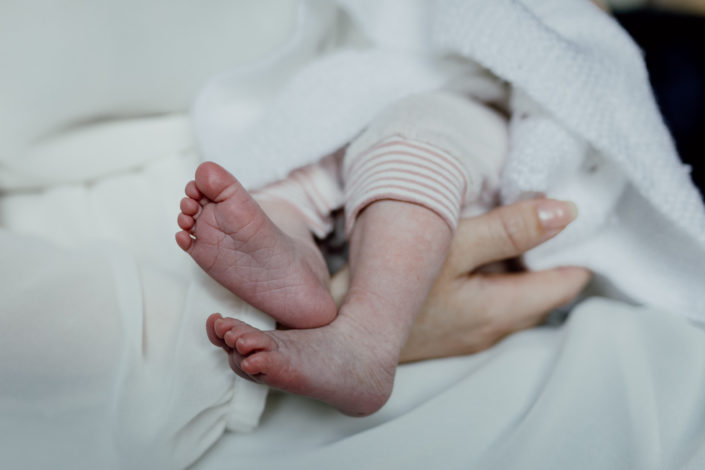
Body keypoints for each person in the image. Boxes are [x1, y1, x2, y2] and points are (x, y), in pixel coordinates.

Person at [175, 90, 588, 416]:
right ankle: (297, 254)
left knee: (416, 135)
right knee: (295, 164)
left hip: (476, 127)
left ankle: (367, 337)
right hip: (366, 112)